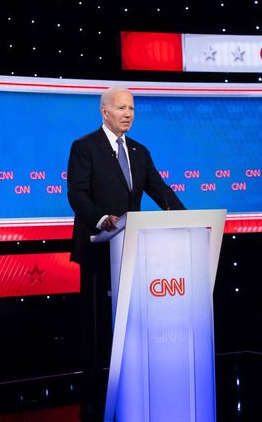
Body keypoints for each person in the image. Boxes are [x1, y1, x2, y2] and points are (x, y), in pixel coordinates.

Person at [66, 86, 184, 421]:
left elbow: (160, 190)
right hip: (97, 249)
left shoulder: (139, 151)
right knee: (95, 326)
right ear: (105, 111)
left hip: (132, 253)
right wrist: (102, 220)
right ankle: (92, 394)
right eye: (122, 107)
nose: (128, 113)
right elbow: (76, 194)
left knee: (127, 324)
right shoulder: (84, 147)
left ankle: (129, 383)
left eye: (131, 108)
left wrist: (188, 218)